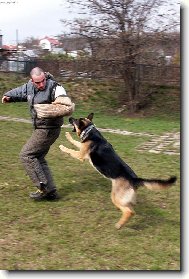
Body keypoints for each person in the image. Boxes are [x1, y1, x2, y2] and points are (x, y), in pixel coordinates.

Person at [2, 67, 75, 201]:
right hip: (41, 128)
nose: (41, 85)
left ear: (45, 77)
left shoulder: (55, 87)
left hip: (48, 129)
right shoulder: (30, 86)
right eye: (37, 83)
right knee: (38, 157)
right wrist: (9, 96)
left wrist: (51, 110)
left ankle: (43, 189)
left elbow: (66, 105)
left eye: (42, 81)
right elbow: (21, 92)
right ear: (32, 80)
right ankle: (51, 192)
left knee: (27, 155)